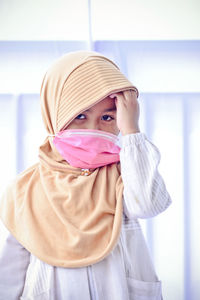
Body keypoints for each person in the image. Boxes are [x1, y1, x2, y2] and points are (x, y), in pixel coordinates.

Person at [0, 50, 171, 300]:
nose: (93, 129)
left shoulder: (126, 174)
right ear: (54, 115)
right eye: (80, 116)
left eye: (107, 117)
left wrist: (132, 130)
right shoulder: (26, 188)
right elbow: (9, 278)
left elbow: (148, 205)